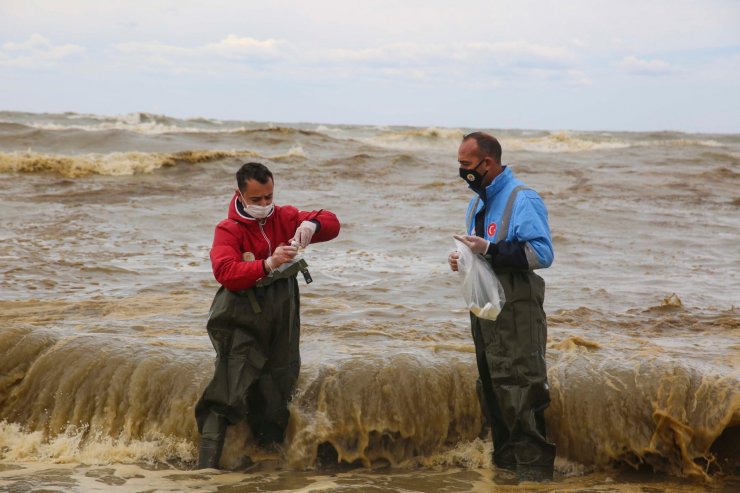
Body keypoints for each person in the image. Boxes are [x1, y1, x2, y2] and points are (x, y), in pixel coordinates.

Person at [195, 162, 340, 469]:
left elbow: (332, 222)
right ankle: (204, 471)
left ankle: (267, 465)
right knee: (228, 387)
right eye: (256, 199)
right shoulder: (228, 229)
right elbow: (224, 272)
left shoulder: (285, 216)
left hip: (282, 309)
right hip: (240, 312)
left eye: (268, 197)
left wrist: (312, 225)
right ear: (240, 194)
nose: (264, 205)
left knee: (278, 383)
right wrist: (268, 263)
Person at [448, 132, 555, 480]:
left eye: (466, 165)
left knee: (521, 387)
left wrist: (489, 250)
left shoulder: (523, 198)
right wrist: (464, 259)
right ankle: (507, 475)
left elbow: (542, 254)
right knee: (492, 387)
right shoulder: (476, 202)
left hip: (517, 305)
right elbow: (481, 252)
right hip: (485, 307)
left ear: (487, 163)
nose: (461, 170)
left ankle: (535, 476)